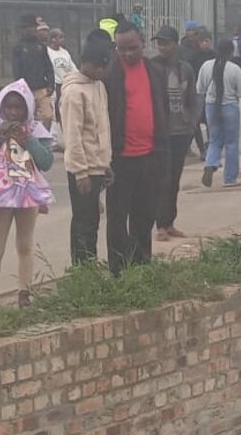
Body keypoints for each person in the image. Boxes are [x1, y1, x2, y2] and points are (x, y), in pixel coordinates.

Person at [0, 80, 55, 307]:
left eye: (19, 107)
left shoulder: (35, 131)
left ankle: (24, 293)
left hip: (26, 197)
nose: (13, 113)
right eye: (9, 107)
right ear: (1, 107)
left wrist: (30, 141)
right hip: (0, 197)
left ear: (27, 109)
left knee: (25, 245)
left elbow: (46, 162)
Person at [105, 21, 170, 275]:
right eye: (122, 49)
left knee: (144, 217)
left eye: (132, 48)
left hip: (150, 155)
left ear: (142, 42)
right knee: (118, 219)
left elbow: (161, 108)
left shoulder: (154, 70)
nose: (127, 54)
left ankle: (142, 266)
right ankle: (118, 271)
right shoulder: (111, 74)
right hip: (120, 159)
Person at [61, 35, 114, 264]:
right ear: (86, 64)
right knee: (83, 221)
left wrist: (106, 163)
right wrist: (80, 172)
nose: (103, 71)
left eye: (105, 67)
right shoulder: (74, 92)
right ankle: (82, 267)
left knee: (93, 219)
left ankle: (89, 263)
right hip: (82, 170)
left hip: (98, 166)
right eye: (99, 66)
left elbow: (102, 128)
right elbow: (73, 136)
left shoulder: (99, 86)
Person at [150, 25, 200, 241]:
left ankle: (170, 222)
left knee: (175, 180)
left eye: (166, 43)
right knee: (161, 179)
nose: (162, 47)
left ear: (175, 44)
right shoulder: (152, 67)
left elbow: (192, 98)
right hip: (161, 133)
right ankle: (160, 224)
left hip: (181, 132)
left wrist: (191, 123)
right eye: (159, 43)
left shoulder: (186, 69)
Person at [196, 38, 241, 188]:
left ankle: (211, 163)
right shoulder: (235, 69)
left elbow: (199, 89)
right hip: (230, 106)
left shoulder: (206, 66)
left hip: (211, 107)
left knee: (214, 140)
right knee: (231, 143)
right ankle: (230, 178)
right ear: (231, 52)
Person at [12, 14, 56, 128]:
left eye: (33, 27)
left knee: (48, 116)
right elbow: (17, 70)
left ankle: (44, 138)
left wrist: (51, 84)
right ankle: (29, 140)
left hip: (41, 88)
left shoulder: (41, 46)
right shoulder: (19, 47)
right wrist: (19, 88)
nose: (31, 30)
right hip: (26, 89)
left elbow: (49, 67)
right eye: (28, 27)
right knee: (27, 118)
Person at [180, 25, 214, 157]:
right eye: (202, 41)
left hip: (211, 92)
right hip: (196, 92)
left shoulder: (214, 55)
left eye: (207, 41)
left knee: (210, 121)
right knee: (195, 122)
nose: (204, 43)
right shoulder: (192, 56)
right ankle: (202, 149)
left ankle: (210, 147)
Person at [47, 28, 77, 115]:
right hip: (57, 84)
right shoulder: (47, 52)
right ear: (53, 39)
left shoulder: (65, 52)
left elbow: (72, 67)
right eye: (60, 37)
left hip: (68, 83)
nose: (63, 39)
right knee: (58, 105)